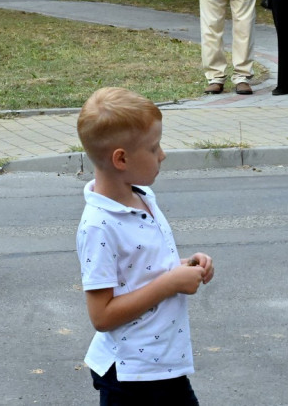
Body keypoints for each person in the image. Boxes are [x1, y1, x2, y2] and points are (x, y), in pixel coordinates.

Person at [75, 87, 215, 405]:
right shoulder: (99, 225)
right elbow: (102, 316)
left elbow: (139, 270)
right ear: (121, 159)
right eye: (154, 148)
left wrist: (183, 267)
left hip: (162, 366)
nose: (162, 154)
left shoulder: (143, 198)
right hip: (131, 376)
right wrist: (168, 284)